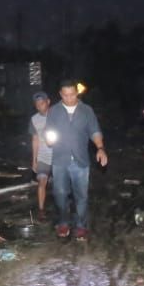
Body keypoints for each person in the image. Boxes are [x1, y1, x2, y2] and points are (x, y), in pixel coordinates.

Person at [43, 79, 107, 241]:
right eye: (65, 95)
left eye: (72, 95)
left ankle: (81, 227)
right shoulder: (54, 111)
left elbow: (94, 131)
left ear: (77, 93)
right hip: (60, 160)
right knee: (60, 194)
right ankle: (63, 223)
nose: (69, 98)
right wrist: (49, 138)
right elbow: (48, 131)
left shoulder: (87, 111)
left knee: (81, 196)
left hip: (81, 161)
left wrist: (100, 148)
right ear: (60, 94)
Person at [28, 91, 53, 219]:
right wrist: (34, 160)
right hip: (43, 156)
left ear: (48, 102)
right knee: (42, 182)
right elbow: (35, 140)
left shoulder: (58, 115)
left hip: (59, 156)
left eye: (42, 103)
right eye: (37, 104)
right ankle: (41, 210)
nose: (39, 106)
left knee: (63, 184)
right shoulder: (34, 119)